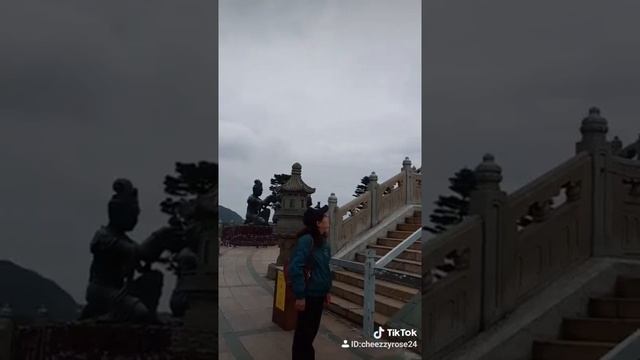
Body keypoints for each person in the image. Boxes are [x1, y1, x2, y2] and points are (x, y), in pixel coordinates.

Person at [288, 205, 332, 360]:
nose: (327, 218)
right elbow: (296, 267)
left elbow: (325, 269)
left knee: (311, 332)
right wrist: (300, 295)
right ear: (318, 222)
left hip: (319, 294)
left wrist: (327, 290)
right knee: (304, 335)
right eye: (324, 216)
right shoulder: (307, 240)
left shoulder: (324, 243)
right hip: (308, 295)